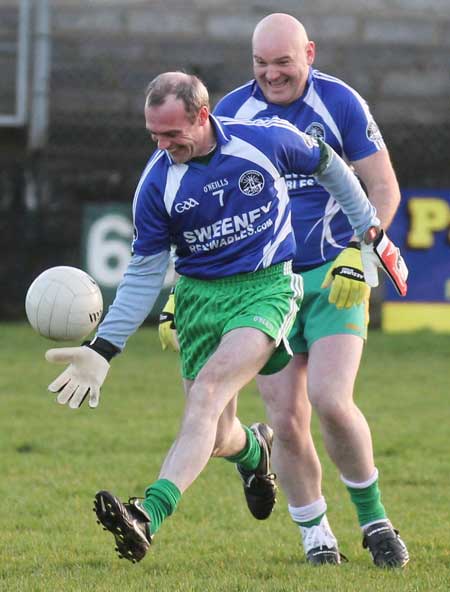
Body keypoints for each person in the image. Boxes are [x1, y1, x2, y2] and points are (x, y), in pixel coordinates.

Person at [46, 71, 397, 564]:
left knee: (209, 392)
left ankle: (149, 513)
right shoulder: (156, 185)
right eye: (155, 135)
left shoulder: (264, 141)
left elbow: (330, 165)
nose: (164, 145)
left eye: (173, 134)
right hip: (198, 300)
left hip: (267, 289)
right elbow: (143, 274)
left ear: (203, 115)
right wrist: (103, 349)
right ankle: (254, 453)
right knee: (214, 431)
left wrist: (367, 233)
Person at [160, 14, 410, 568]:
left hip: (332, 277)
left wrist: (359, 252)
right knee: (287, 417)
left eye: (283, 62)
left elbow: (383, 187)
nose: (271, 75)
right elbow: (196, 210)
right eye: (260, 63)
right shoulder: (226, 113)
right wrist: (180, 289)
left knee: (330, 398)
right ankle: (315, 534)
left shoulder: (340, 103)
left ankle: (375, 521)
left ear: (310, 54)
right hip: (262, 286)